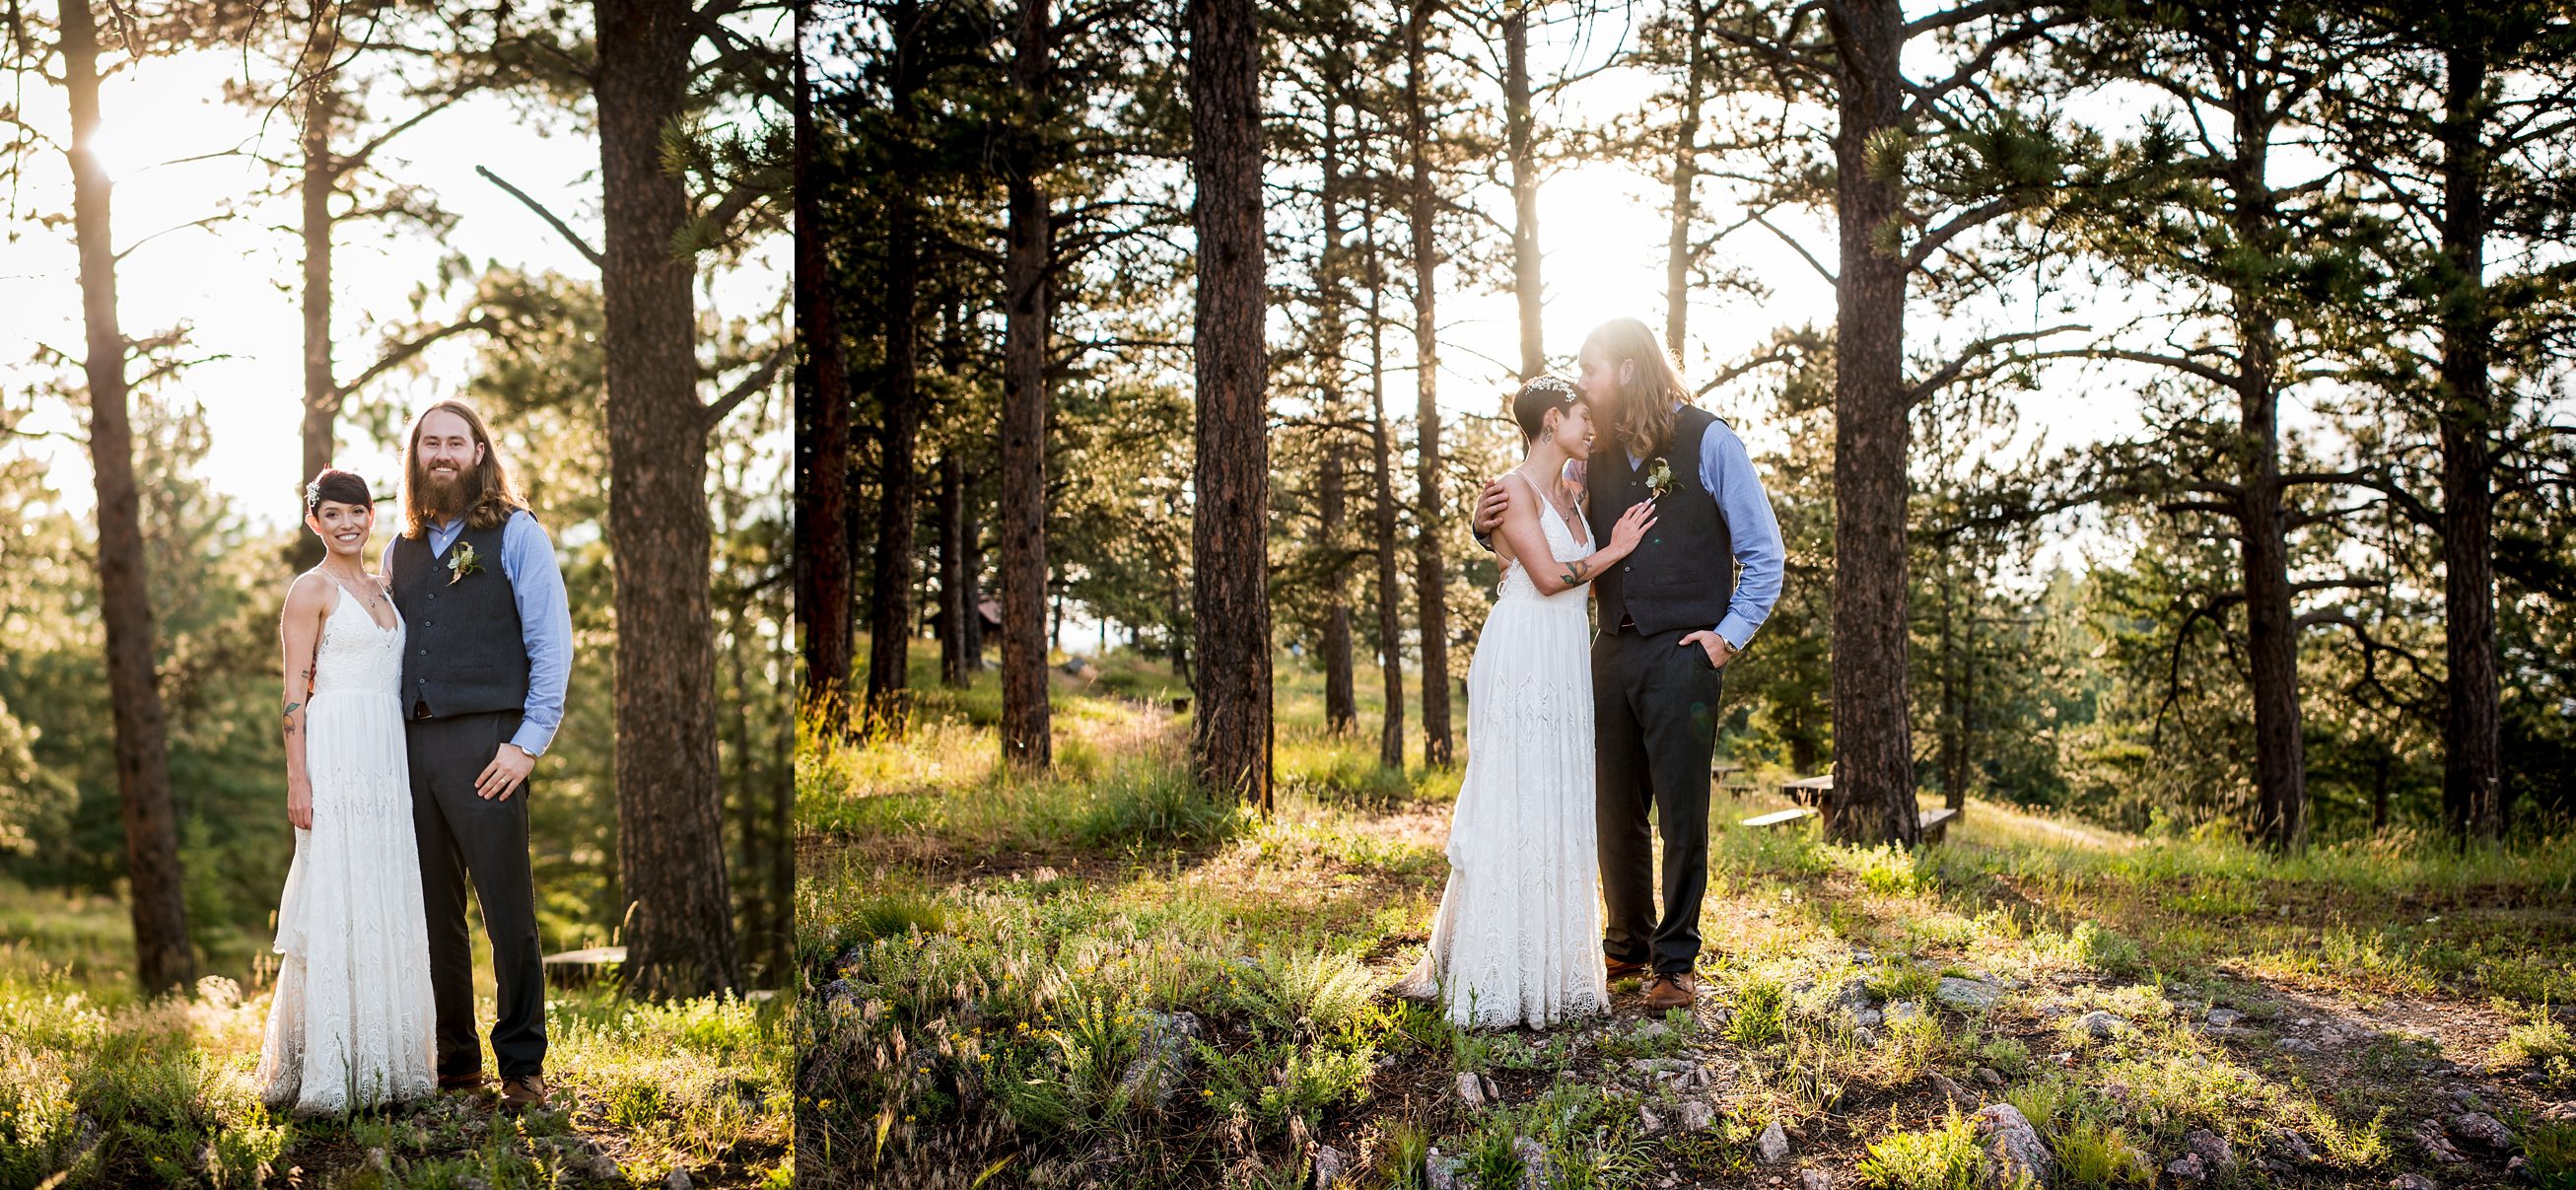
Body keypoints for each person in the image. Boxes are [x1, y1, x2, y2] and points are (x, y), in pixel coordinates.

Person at [1471, 317, 1785, 1012]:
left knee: (1680, 810)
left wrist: (1725, 637)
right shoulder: (1593, 452)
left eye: (1591, 369)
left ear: (1629, 371)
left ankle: (1675, 961)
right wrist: (1481, 517)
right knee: (1612, 807)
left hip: (1683, 652)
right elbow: (1538, 503)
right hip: (1608, 651)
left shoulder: (1710, 441)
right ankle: (1627, 940)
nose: (1582, 383)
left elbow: (1765, 554)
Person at [1394, 376, 1656, 1028]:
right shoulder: (1507, 488)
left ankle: (1550, 962)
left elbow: (1550, 564)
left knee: (1554, 796)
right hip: (1521, 651)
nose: (1590, 428)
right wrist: (1617, 548)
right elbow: (1543, 577)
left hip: (1562, 653)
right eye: (1580, 418)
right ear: (1549, 422)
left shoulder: (1572, 489)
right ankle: (1494, 968)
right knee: (1514, 795)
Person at [383, 399, 573, 1110]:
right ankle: (456, 1062)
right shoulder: (398, 546)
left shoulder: (518, 533)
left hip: (490, 742)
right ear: (416, 456)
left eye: (454, 442)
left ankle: (522, 1064)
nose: (441, 453)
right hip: (413, 745)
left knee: (507, 912)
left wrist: (527, 744)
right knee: (435, 913)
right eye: (429, 442)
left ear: (479, 453)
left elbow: (551, 644)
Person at [254, 468, 437, 1113]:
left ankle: (385, 1056)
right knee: (335, 895)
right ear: (315, 522)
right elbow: (293, 694)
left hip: (385, 759)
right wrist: (297, 778)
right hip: (334, 755)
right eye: (332, 514)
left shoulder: (387, 588)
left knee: (382, 895)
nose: (346, 524)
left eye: (356, 512)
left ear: (371, 515)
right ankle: (325, 1062)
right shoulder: (311, 589)